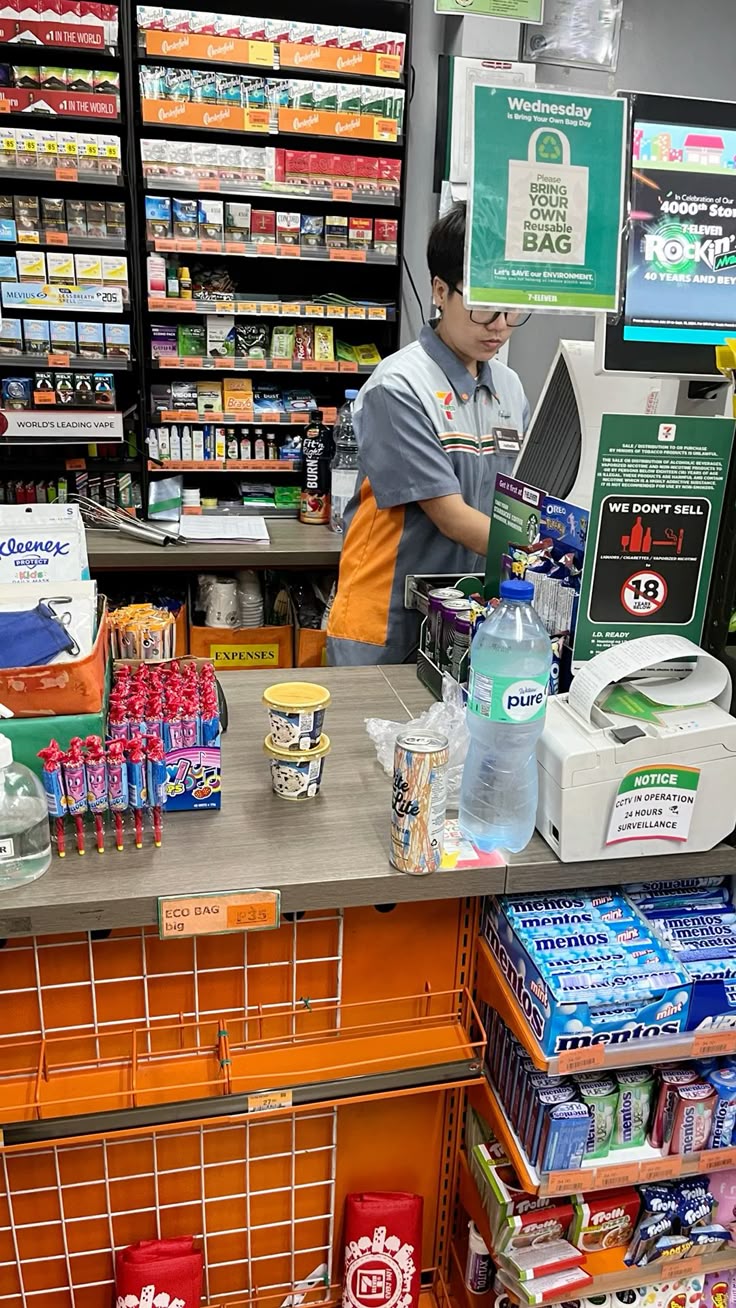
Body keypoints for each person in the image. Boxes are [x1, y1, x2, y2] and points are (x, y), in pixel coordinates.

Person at [327, 201, 531, 666]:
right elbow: (453, 517)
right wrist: (550, 553)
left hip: (462, 616)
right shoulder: (398, 385)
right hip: (387, 625)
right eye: (483, 307)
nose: (500, 325)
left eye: (512, 307)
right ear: (440, 291)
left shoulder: (509, 388)